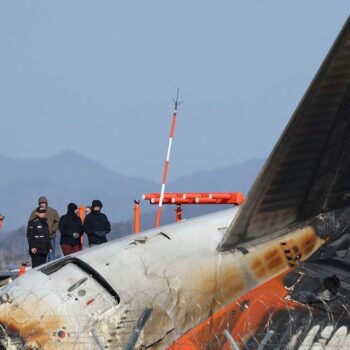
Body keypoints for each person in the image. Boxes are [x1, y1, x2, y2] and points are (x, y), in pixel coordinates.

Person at [29, 196, 60, 261]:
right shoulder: (35, 212)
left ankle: (51, 270)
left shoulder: (53, 211)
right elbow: (30, 223)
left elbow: (57, 221)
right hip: (38, 239)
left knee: (51, 256)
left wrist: (53, 229)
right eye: (41, 203)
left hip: (50, 237)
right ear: (39, 204)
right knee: (40, 257)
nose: (42, 204)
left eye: (44, 203)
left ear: (46, 203)